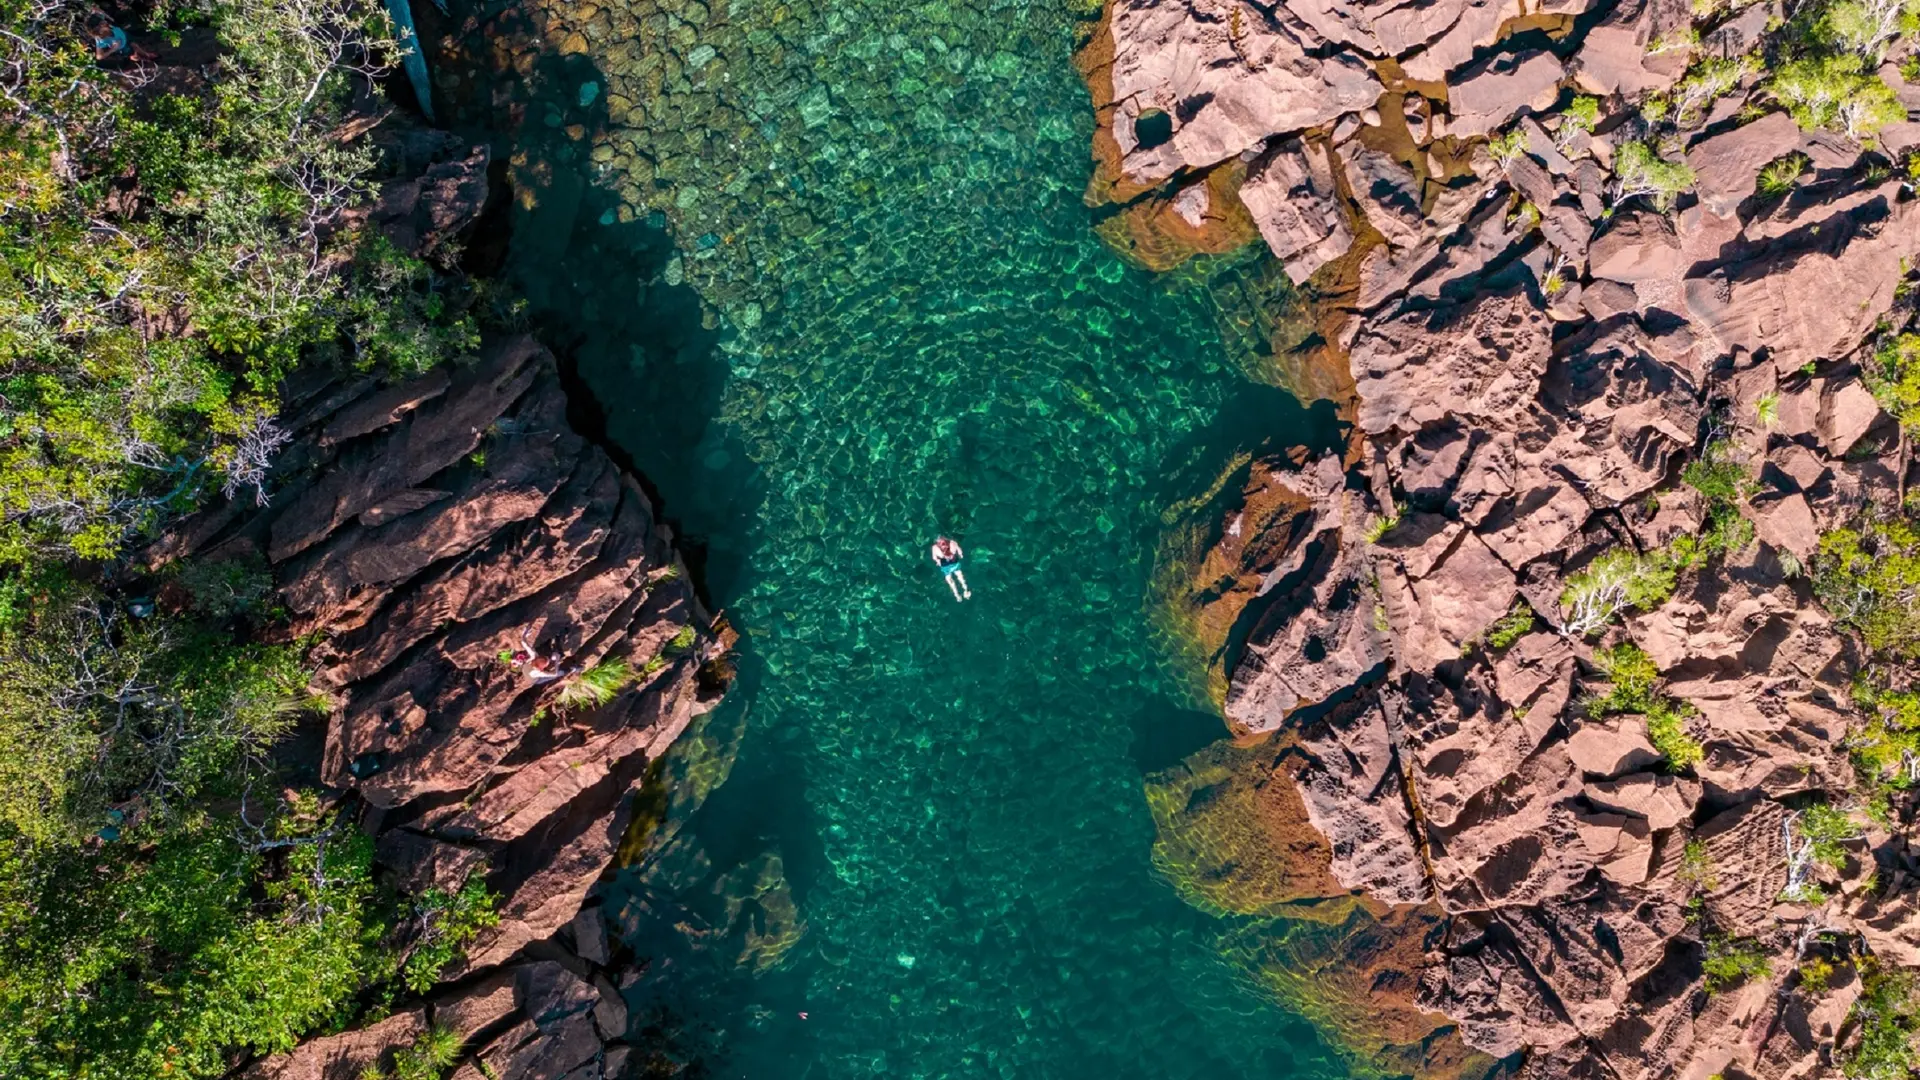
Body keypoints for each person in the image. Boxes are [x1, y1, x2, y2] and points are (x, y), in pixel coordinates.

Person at [930, 536, 971, 602]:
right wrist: (961, 555)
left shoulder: (934, 547)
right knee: (959, 576)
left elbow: (934, 557)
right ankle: (965, 590)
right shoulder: (952, 542)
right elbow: (959, 550)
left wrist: (938, 562)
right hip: (953, 561)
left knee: (950, 580)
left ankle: (957, 595)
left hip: (945, 563)